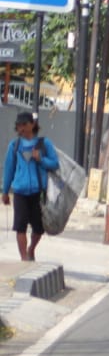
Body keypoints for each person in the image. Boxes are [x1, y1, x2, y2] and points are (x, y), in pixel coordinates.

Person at [2, 111, 61, 262]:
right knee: (20, 227)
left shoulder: (43, 143)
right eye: (19, 125)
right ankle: (24, 259)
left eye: (24, 125)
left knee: (38, 228)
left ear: (32, 125)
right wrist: (5, 191)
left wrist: (40, 159)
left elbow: (55, 163)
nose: (21, 128)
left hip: (38, 191)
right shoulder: (14, 146)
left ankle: (31, 249)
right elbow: (9, 169)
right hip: (20, 191)